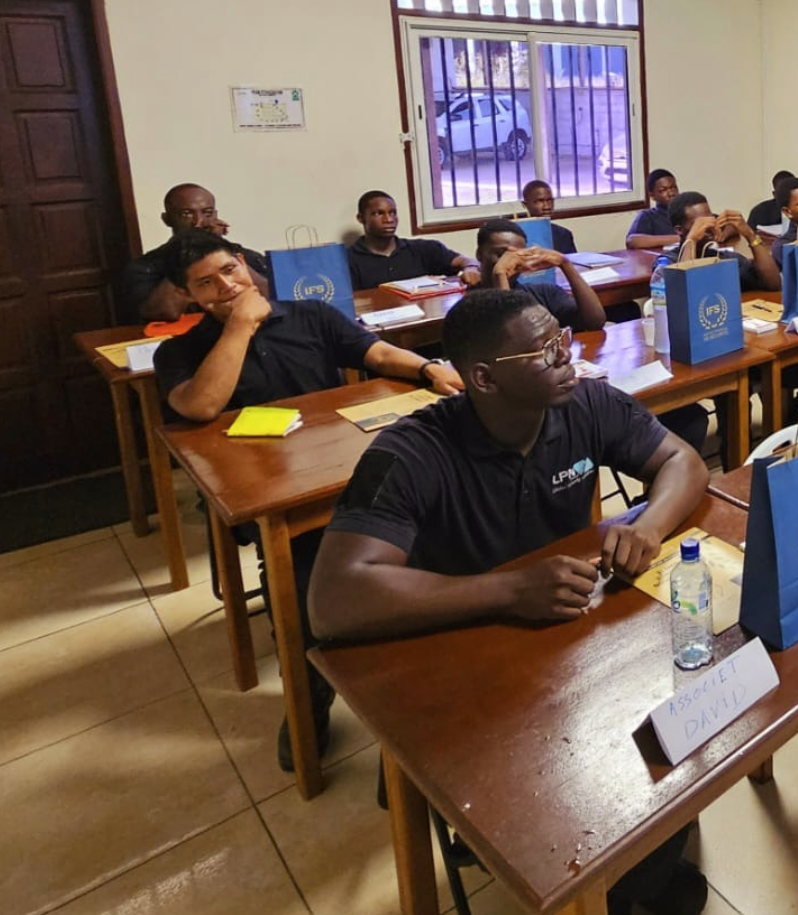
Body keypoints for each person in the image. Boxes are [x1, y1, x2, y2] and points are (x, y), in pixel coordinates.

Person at [307, 289, 710, 915]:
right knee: (611, 835)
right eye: (547, 350)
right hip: (467, 657)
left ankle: (636, 868)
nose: (568, 357)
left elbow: (682, 460)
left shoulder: (586, 403)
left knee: (678, 747)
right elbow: (334, 598)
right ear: (485, 378)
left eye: (564, 340)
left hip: (570, 642)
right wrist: (507, 590)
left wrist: (649, 526)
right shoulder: (412, 452)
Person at [152, 229, 465, 770]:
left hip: (349, 474)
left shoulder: (310, 316)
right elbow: (201, 406)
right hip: (274, 498)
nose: (226, 286)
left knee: (435, 537)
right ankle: (311, 694)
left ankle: (421, 667)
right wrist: (244, 324)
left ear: (246, 266)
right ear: (189, 297)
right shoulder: (180, 351)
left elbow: (374, 351)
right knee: (303, 586)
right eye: (206, 282)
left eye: (231, 270)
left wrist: (427, 367)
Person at [670, 191, 798, 416]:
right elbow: (682, 294)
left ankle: (793, 435)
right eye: (699, 224)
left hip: (745, 348)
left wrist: (748, 233)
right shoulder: (667, 264)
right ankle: (733, 450)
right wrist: (692, 240)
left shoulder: (724, 258)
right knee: (734, 395)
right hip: (703, 356)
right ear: (680, 230)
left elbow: (773, 282)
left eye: (711, 219)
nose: (708, 228)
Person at [118, 183, 271, 323]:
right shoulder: (145, 266)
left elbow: (273, 296)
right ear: (167, 219)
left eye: (207, 213)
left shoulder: (239, 254)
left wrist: (224, 250)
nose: (199, 222)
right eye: (186, 214)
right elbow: (165, 313)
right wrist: (188, 246)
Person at [475, 219, 606, 330]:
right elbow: (511, 341)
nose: (510, 260)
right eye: (501, 254)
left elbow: (595, 322)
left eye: (519, 254)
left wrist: (565, 264)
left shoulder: (544, 293)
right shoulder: (470, 304)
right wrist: (500, 274)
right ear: (479, 255)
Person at [347, 190, 477, 291]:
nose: (389, 219)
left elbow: (466, 261)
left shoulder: (423, 249)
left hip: (424, 320)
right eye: (378, 214)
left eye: (392, 213)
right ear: (361, 218)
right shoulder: (348, 260)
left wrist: (471, 268)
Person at [626, 170, 682, 251]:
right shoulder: (648, 216)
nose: (671, 193)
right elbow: (632, 241)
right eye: (663, 190)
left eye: (673, 187)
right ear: (652, 195)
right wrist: (678, 238)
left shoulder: (685, 212)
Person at [520, 179, 577, 253]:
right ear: (525, 205)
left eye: (549, 200)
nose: (546, 206)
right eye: (539, 201)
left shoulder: (563, 234)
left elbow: (572, 262)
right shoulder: (517, 235)